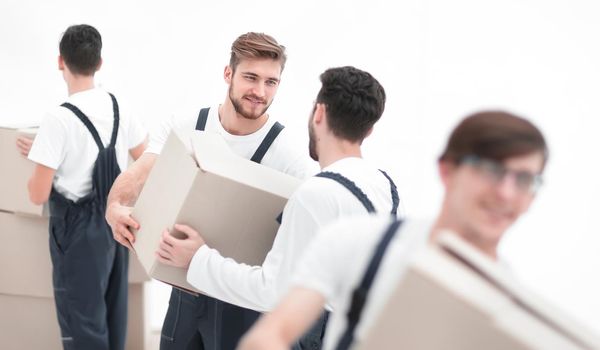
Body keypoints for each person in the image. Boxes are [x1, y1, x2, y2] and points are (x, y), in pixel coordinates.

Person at [238, 110, 548, 350]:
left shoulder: (514, 310)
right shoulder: (354, 243)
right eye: (491, 171)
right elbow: (270, 336)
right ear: (447, 169)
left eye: (524, 179)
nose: (506, 193)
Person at [158, 66, 401, 349]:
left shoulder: (315, 193)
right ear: (369, 129)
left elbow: (272, 292)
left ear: (319, 114)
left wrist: (197, 258)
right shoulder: (386, 187)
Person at [105, 32, 315, 350]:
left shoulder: (289, 157)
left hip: (241, 303)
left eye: (271, 82)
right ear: (228, 74)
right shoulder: (191, 125)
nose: (260, 91)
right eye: (251, 77)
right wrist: (116, 205)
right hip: (184, 291)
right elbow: (141, 172)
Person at [21, 24, 148, 350]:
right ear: (99, 62)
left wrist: (38, 164)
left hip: (78, 234)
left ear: (60, 62)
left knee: (83, 328)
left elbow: (37, 194)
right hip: (116, 224)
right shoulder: (120, 106)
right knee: (113, 318)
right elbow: (146, 160)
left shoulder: (58, 119)